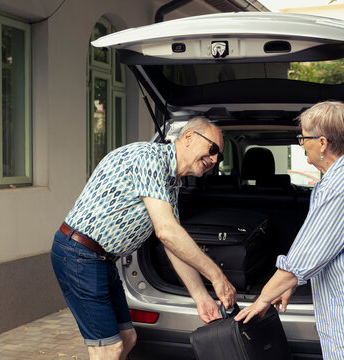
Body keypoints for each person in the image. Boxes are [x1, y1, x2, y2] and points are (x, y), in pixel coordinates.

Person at [235, 101, 344, 360]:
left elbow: (303, 257)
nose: (301, 143)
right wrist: (293, 281)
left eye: (303, 137)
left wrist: (262, 299)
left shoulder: (339, 188)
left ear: (322, 142)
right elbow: (326, 250)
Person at [51, 117, 236, 360]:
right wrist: (217, 276)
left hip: (101, 259)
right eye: (213, 149)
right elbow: (166, 232)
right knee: (108, 349)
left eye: (219, 157)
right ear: (189, 137)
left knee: (128, 339)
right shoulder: (149, 157)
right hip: (79, 254)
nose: (214, 160)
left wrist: (201, 297)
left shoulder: (172, 182)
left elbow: (173, 244)